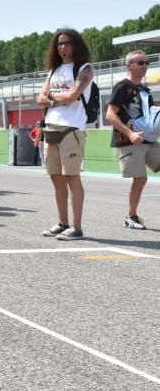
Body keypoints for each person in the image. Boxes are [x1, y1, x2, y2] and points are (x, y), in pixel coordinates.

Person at [37, 28, 94, 241]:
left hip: (72, 129)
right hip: (51, 128)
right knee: (56, 178)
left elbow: (72, 96)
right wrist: (55, 98)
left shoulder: (84, 68)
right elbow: (39, 99)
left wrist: (51, 96)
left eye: (67, 43)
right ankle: (63, 223)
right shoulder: (54, 70)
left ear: (75, 44)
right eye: (59, 43)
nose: (62, 47)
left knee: (72, 177)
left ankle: (76, 227)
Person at [104, 50, 159, 229]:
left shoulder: (144, 90)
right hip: (130, 140)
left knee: (142, 179)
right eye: (140, 62)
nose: (145, 66)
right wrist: (130, 134)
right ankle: (131, 217)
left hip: (148, 139)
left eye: (146, 62)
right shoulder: (122, 87)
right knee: (140, 179)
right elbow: (110, 115)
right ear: (129, 65)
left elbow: (151, 116)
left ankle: (132, 216)